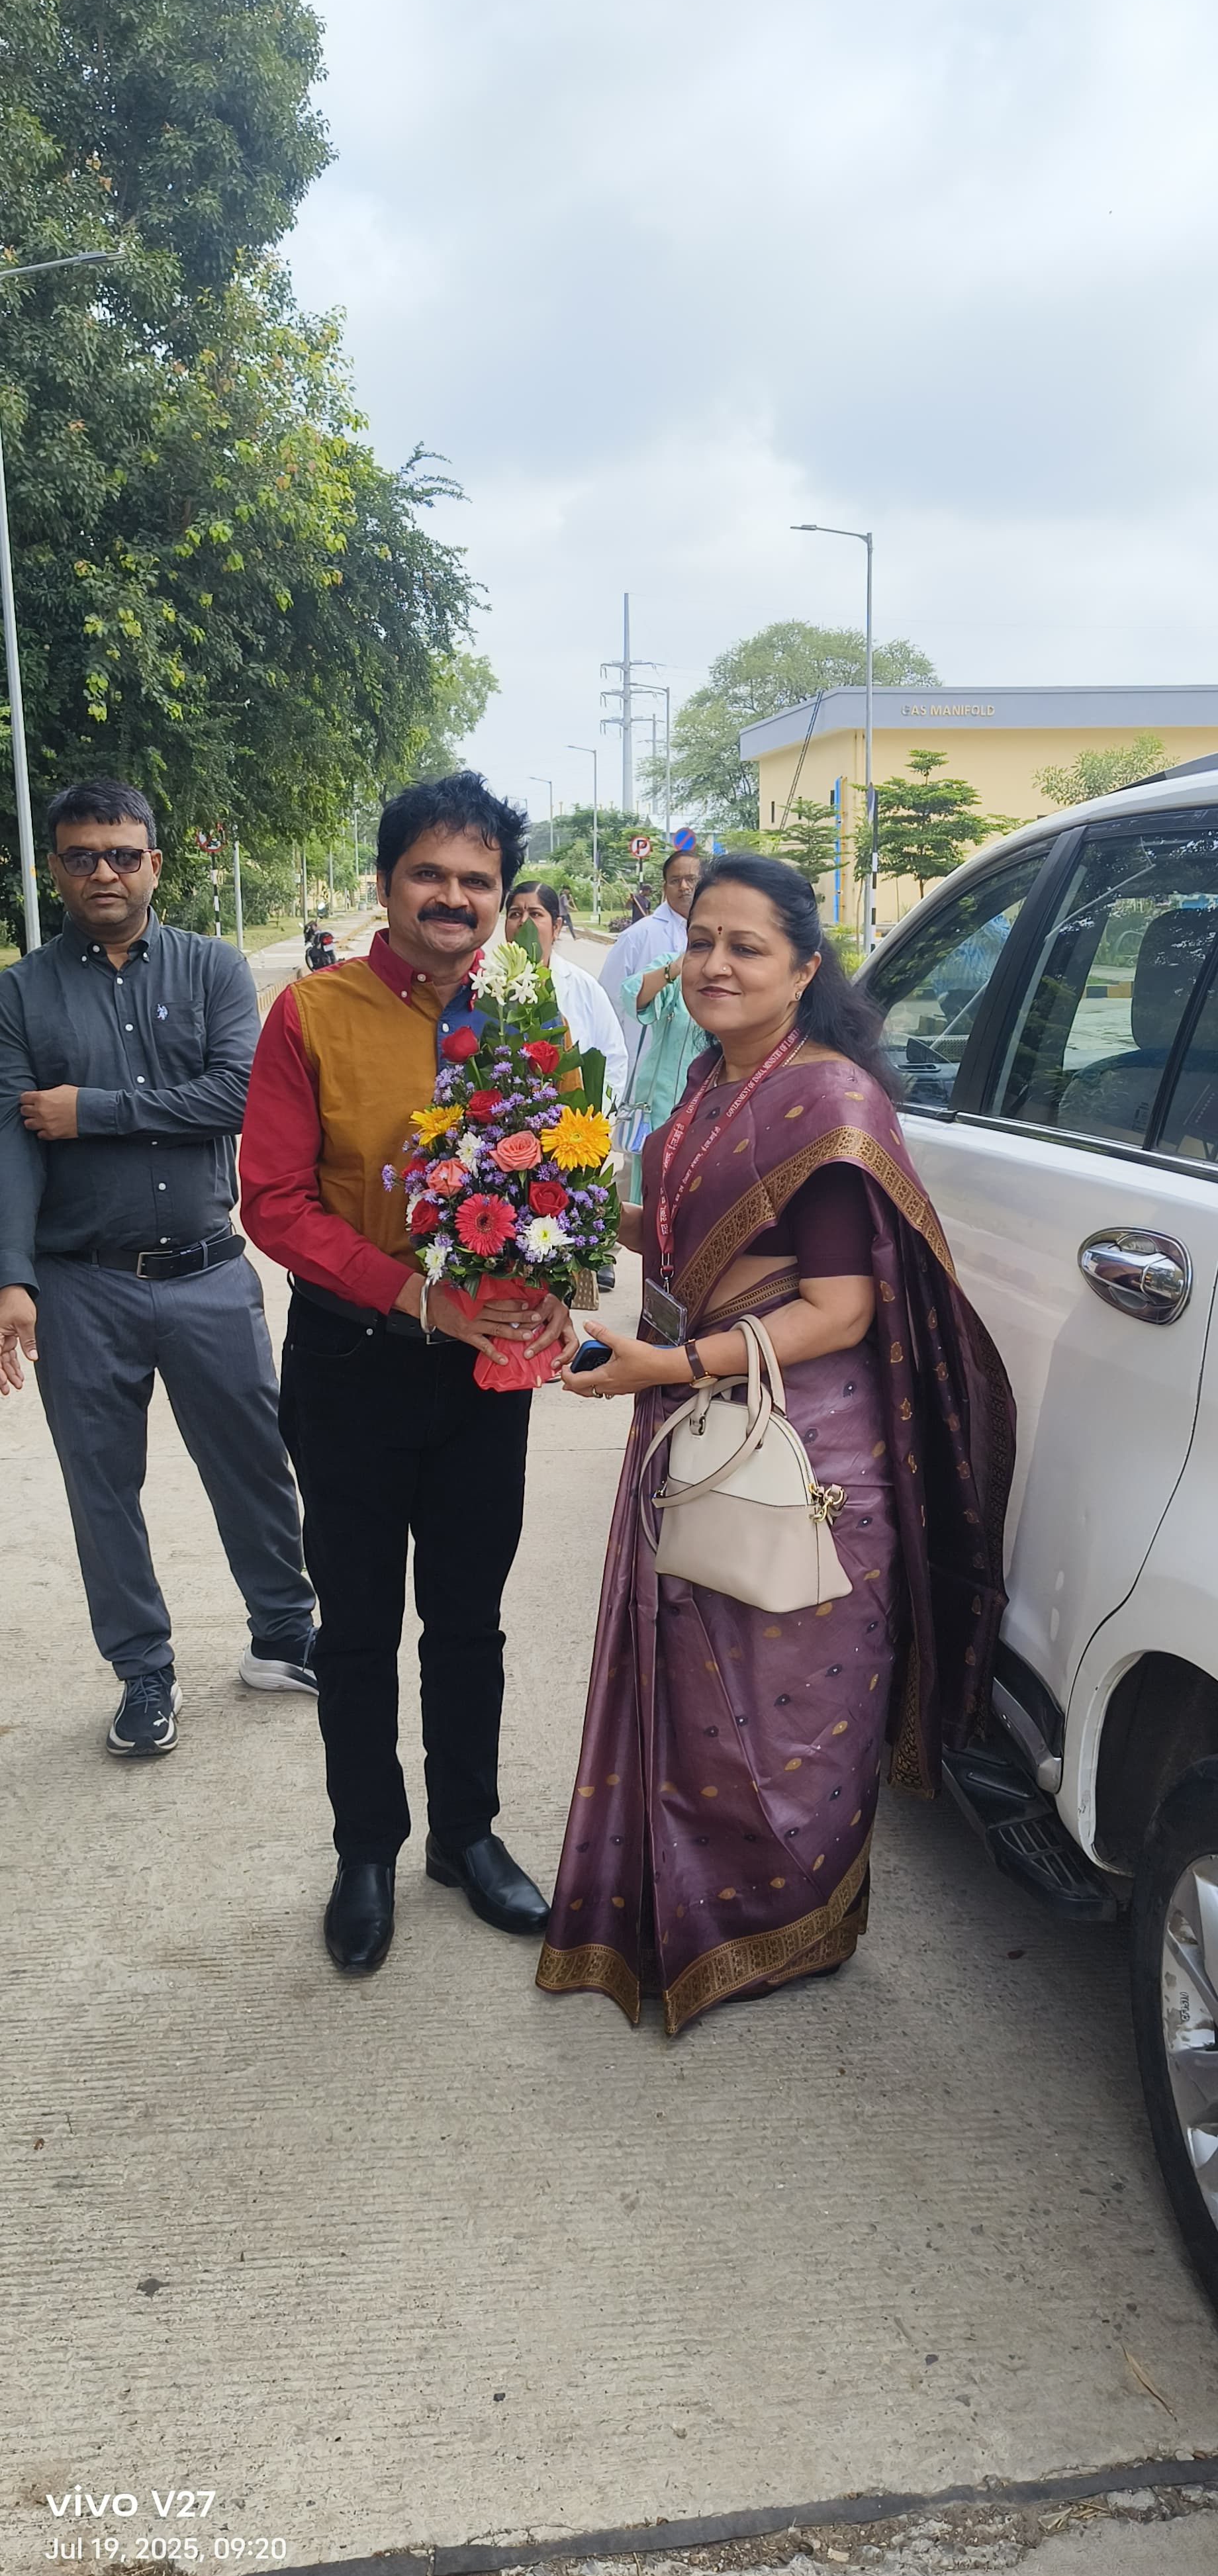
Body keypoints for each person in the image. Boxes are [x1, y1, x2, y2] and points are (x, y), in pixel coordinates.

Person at [538, 852, 1013, 2035]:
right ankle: (691, 1906)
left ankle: (783, 1923)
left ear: (804, 969)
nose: (714, 964)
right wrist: (561, 1208)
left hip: (795, 1447)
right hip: (705, 1410)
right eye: (701, 941)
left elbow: (840, 1310)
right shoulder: (711, 1078)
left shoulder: (829, 1103)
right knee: (698, 1683)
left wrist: (667, 1367)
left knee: (784, 1702)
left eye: (746, 947)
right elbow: (688, 1224)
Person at [240, 772, 577, 1976]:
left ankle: (466, 1836)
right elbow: (273, 1202)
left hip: (485, 1376)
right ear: (385, 885)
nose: (451, 896)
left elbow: (561, 1180)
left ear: (502, 897)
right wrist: (417, 1294)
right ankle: (366, 1851)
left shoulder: (527, 1011)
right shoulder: (312, 1015)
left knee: (469, 1618)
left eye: (475, 878)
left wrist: (556, 1281)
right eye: (428, 872)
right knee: (358, 1625)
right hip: (353, 1364)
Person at [0, 779, 316, 1761]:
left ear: (154, 864)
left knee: (254, 1461)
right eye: (81, 855)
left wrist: (88, 1110)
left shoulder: (213, 967)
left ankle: (283, 1633)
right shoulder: (20, 992)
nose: (103, 871)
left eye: (122, 854)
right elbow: (11, 1141)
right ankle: (143, 1669)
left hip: (208, 1271)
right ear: (53, 869)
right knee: (102, 1485)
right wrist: (12, 1276)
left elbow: (237, 1094)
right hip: (81, 1280)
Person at [503, 882, 629, 1104]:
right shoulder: (493, 988)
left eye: (535, 914)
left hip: (574, 1120)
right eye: (515, 914)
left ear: (557, 927)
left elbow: (614, 1057)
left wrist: (596, 1117)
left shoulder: (585, 988)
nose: (523, 922)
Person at [618, 952, 710, 1203]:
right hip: (661, 1110)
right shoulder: (676, 965)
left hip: (711, 1115)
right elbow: (631, 993)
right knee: (649, 1198)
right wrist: (674, 970)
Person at [600, 848, 701, 1068]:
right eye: (675, 881)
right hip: (641, 1062)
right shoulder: (637, 936)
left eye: (691, 879)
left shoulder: (720, 934)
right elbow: (608, 1002)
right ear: (665, 888)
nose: (684, 887)